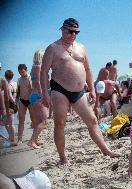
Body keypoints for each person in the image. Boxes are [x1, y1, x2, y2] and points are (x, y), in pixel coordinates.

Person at [40, 18, 121, 164]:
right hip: (59, 89)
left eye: (76, 32)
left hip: (79, 92)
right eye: (70, 31)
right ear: (62, 30)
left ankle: (106, 150)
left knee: (92, 120)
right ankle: (63, 158)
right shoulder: (53, 48)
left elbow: (88, 69)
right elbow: (44, 72)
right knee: (60, 123)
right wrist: (45, 94)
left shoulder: (81, 47)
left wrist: (92, 89)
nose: (73, 35)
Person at [28, 50, 48, 149]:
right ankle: (32, 141)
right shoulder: (39, 67)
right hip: (37, 95)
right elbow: (39, 82)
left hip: (33, 95)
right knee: (44, 120)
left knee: (37, 121)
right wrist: (43, 95)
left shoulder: (33, 67)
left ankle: (35, 140)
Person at [16, 64, 36, 145]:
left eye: (22, 72)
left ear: (26, 70)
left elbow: (34, 89)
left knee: (33, 119)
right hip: (22, 101)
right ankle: (19, 139)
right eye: (20, 72)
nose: (21, 73)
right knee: (21, 120)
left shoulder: (30, 78)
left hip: (30, 101)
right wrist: (16, 101)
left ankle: (35, 138)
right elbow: (18, 91)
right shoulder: (19, 79)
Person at [4, 70, 17, 144]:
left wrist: (14, 103)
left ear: (5, 76)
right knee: (10, 122)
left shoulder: (8, 85)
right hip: (13, 105)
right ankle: (12, 137)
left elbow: (10, 97)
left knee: (7, 123)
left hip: (10, 106)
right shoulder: (15, 83)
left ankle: (12, 138)